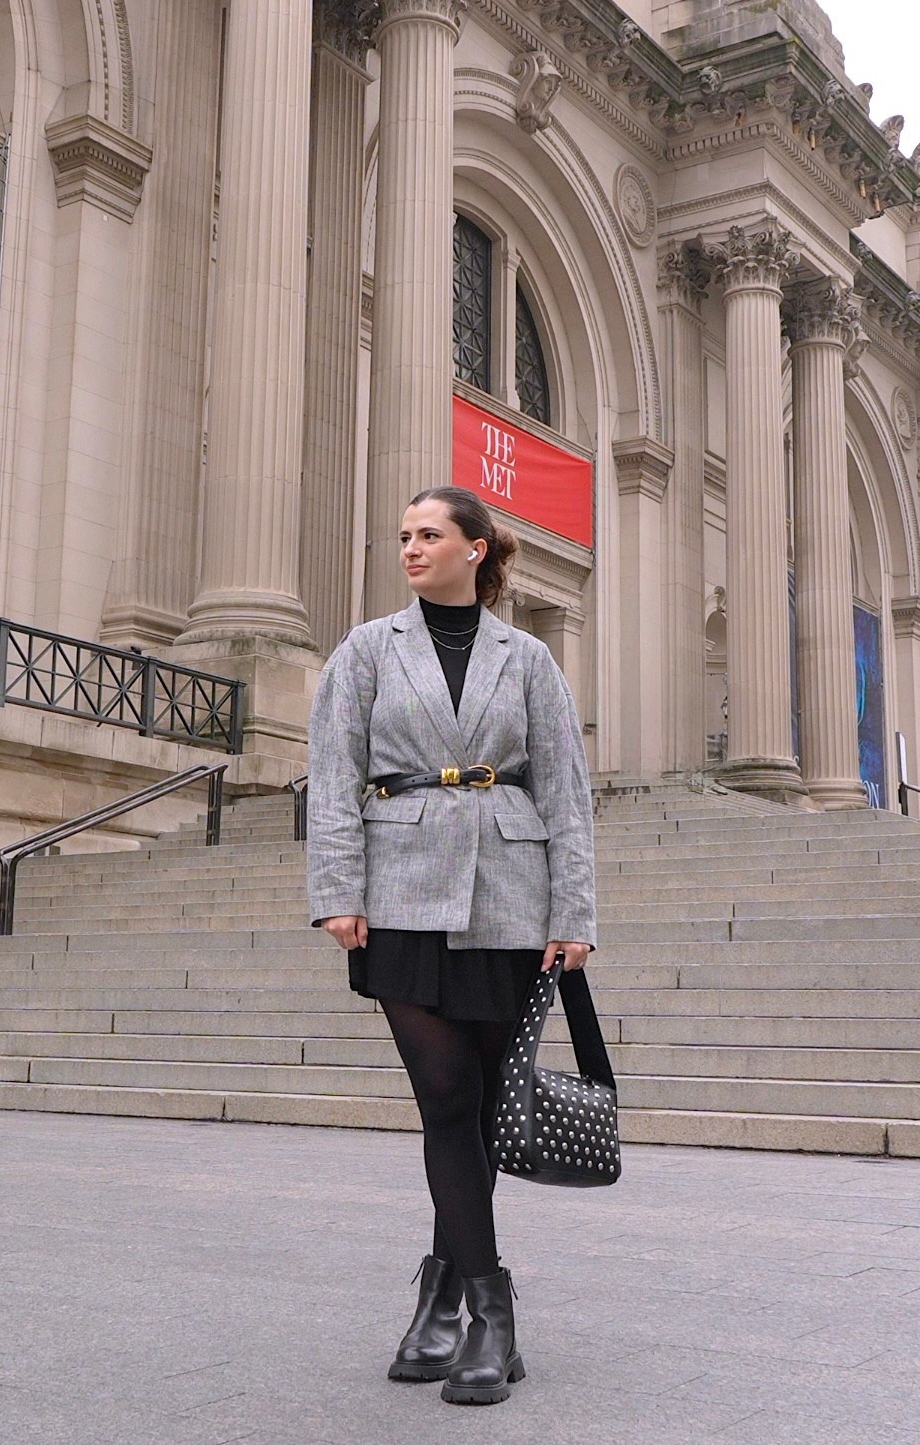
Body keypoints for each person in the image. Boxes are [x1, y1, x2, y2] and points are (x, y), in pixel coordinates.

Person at [306, 485, 596, 1406]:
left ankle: (442, 1300)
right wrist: (336, 892)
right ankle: (490, 1312)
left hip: (509, 896)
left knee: (478, 1107)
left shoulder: (529, 658)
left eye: (429, 534)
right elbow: (332, 774)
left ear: (475, 548)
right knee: (443, 1097)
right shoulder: (366, 648)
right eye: (403, 536)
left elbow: (565, 790)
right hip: (399, 889)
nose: (411, 547)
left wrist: (573, 913)